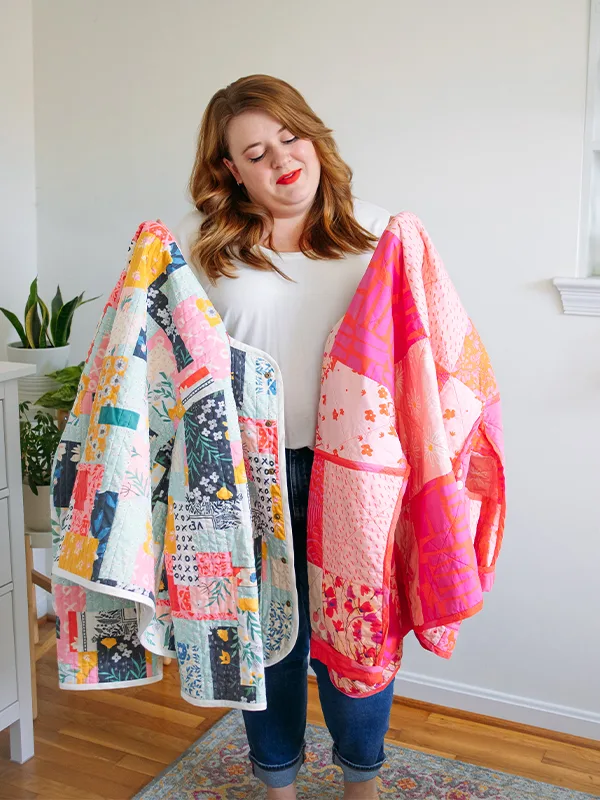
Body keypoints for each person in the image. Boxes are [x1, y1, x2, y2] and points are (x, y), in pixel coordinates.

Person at [175, 74, 395, 800]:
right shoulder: (204, 252)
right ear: (230, 170)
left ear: (313, 136)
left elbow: (414, 359)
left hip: (355, 475)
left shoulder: (381, 235)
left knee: (356, 641)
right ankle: (278, 788)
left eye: (289, 137)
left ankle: (361, 784)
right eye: (256, 151)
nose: (281, 161)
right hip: (246, 477)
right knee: (266, 643)